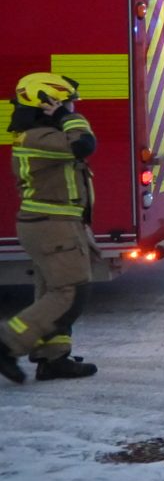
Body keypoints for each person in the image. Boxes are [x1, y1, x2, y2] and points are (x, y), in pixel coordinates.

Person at [3, 73, 99, 382]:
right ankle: (7, 343)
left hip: (56, 225)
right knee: (70, 293)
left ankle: (53, 359)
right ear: (44, 104)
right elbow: (84, 144)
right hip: (52, 227)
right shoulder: (38, 138)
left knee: (54, 291)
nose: (71, 109)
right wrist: (63, 116)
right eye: (65, 103)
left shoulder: (40, 136)